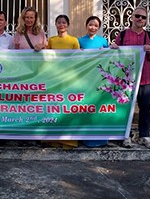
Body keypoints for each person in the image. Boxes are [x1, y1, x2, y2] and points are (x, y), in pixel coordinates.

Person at [110, 7, 150, 149]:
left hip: (145, 78)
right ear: (131, 17)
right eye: (137, 16)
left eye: (143, 17)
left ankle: (144, 135)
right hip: (127, 80)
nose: (140, 19)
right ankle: (126, 135)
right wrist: (113, 47)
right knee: (125, 108)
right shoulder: (124, 34)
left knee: (145, 108)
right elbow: (116, 54)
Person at [45, 15, 80, 149]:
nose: (61, 25)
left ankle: (68, 141)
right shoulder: (51, 40)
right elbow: (46, 59)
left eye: (64, 22)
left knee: (67, 108)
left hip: (69, 78)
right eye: (59, 22)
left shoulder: (73, 40)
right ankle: (52, 140)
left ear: (68, 24)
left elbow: (78, 59)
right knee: (53, 108)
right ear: (55, 24)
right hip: (54, 78)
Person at [78, 15, 110, 148]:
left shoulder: (103, 41)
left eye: (96, 25)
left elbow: (110, 58)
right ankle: (84, 138)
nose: (93, 27)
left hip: (99, 81)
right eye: (90, 24)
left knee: (98, 108)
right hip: (84, 80)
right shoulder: (79, 41)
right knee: (85, 107)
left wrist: (113, 48)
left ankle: (100, 139)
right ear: (86, 26)